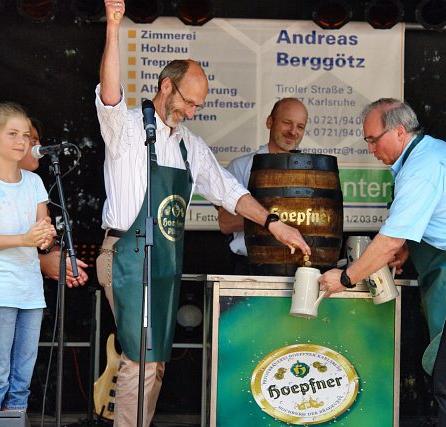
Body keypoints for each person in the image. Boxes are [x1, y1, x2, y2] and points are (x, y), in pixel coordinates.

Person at [95, 2, 310, 426]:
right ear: (166, 86)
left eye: (197, 106)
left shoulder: (190, 145)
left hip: (164, 258)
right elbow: (110, 93)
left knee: (156, 361)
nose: (192, 112)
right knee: (140, 358)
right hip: (125, 255)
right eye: (188, 103)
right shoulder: (126, 128)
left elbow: (230, 192)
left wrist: (274, 224)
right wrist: (113, 28)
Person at [318, 98, 446, 426]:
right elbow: (430, 225)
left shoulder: (421, 167)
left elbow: (390, 240)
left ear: (400, 132)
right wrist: (408, 248)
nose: (370, 149)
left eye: (373, 140)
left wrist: (346, 278)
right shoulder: (430, 154)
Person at [0, 102, 56, 412]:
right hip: (1, 290)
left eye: (26, 135)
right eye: (13, 134)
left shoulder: (34, 182)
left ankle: (15, 416)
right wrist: (24, 239)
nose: (22, 141)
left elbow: (44, 231)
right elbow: (25, 237)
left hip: (30, 291)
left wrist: (46, 236)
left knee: (22, 377)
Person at [218, 97, 308, 274]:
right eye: (287, 123)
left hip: (298, 267)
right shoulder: (241, 166)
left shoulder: (311, 171)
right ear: (269, 122)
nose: (293, 132)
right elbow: (225, 223)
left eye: (300, 127)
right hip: (249, 268)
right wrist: (275, 216)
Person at [18, 118, 89, 288]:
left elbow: (45, 240)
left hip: (28, 290)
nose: (39, 147)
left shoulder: (34, 184)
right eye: (33, 141)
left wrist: (61, 260)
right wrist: (42, 262)